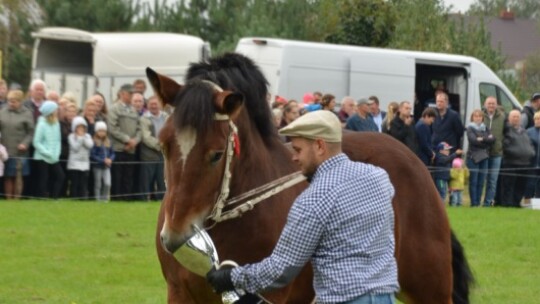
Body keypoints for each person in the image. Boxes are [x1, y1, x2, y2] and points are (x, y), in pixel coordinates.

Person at [207, 110, 399, 304]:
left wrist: (232, 277)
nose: (294, 158)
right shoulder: (379, 177)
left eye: (298, 150)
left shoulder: (313, 200)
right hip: (385, 297)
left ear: (319, 146)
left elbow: (280, 270)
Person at [108, 84, 141, 201]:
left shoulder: (133, 110)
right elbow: (113, 129)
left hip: (131, 149)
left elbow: (139, 129)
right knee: (117, 176)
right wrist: (128, 140)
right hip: (118, 148)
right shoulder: (114, 108)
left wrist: (135, 141)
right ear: (122, 93)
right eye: (130, 93)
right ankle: (117, 199)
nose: (132, 96)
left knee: (128, 176)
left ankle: (126, 200)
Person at [0, 90, 34, 199]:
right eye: (9, 101)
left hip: (20, 152)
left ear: (20, 102)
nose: (11, 103)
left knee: (18, 177)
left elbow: (31, 132)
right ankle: (9, 199)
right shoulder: (2, 112)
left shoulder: (27, 113)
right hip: (5, 151)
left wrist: (25, 144)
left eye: (14, 101)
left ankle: (17, 199)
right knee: (8, 176)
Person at [499, 110, 535, 207]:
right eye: (514, 117)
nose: (516, 119)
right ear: (509, 118)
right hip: (511, 162)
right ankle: (507, 204)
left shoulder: (523, 130)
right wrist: (511, 151)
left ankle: (516, 203)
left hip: (525, 163)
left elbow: (529, 144)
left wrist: (531, 152)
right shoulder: (506, 130)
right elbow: (503, 144)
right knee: (508, 185)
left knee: (521, 185)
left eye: (518, 117)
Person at [33, 101, 65, 199]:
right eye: (55, 109)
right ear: (50, 111)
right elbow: (36, 142)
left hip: (54, 157)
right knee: (44, 178)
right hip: (42, 157)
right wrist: (47, 153)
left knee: (61, 176)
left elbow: (58, 140)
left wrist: (57, 153)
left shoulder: (56, 123)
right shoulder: (41, 124)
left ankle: (54, 197)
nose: (57, 111)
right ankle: (43, 198)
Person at [139, 96, 168, 201]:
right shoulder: (144, 119)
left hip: (164, 155)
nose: (154, 106)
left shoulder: (167, 117)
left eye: (156, 104)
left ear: (160, 105)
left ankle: (162, 201)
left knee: (162, 180)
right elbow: (146, 137)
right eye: (151, 104)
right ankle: (144, 200)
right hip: (148, 155)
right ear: (147, 105)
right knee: (146, 181)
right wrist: (161, 145)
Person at [465, 109, 494, 207]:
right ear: (472, 118)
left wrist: (482, 139)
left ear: (482, 118)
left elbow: (492, 139)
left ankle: (478, 202)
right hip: (473, 157)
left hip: (484, 156)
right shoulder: (470, 128)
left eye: (479, 116)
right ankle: (474, 203)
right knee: (474, 181)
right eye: (475, 116)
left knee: (481, 181)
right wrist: (485, 139)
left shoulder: (485, 127)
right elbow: (473, 140)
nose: (478, 118)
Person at [482, 96, 505, 207]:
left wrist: (501, 147)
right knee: (482, 179)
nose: (491, 105)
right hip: (482, 153)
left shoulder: (502, 117)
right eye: (489, 103)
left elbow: (505, 134)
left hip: (496, 153)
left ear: (496, 105)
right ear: (485, 104)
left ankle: (488, 203)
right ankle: (476, 202)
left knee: (492, 180)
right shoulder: (480, 115)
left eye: (493, 103)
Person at [67, 116, 94, 199]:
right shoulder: (71, 136)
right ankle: (73, 198)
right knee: (75, 183)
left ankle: (82, 199)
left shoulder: (88, 136)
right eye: (78, 127)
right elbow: (75, 148)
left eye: (82, 127)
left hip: (85, 164)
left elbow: (90, 145)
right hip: (74, 164)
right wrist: (80, 138)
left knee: (83, 183)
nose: (81, 129)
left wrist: (82, 137)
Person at [91, 121, 115, 202]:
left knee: (107, 183)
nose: (102, 133)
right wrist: (102, 160)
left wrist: (110, 159)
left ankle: (104, 199)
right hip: (98, 166)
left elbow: (112, 153)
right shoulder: (94, 142)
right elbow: (93, 155)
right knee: (98, 184)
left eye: (104, 131)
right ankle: (98, 199)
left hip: (107, 166)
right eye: (100, 131)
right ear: (96, 131)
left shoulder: (108, 142)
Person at [524, 112, 540, 205]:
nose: (538, 121)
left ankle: (538, 205)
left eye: (539, 119)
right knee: (529, 184)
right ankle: (527, 203)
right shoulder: (528, 132)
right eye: (536, 119)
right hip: (531, 164)